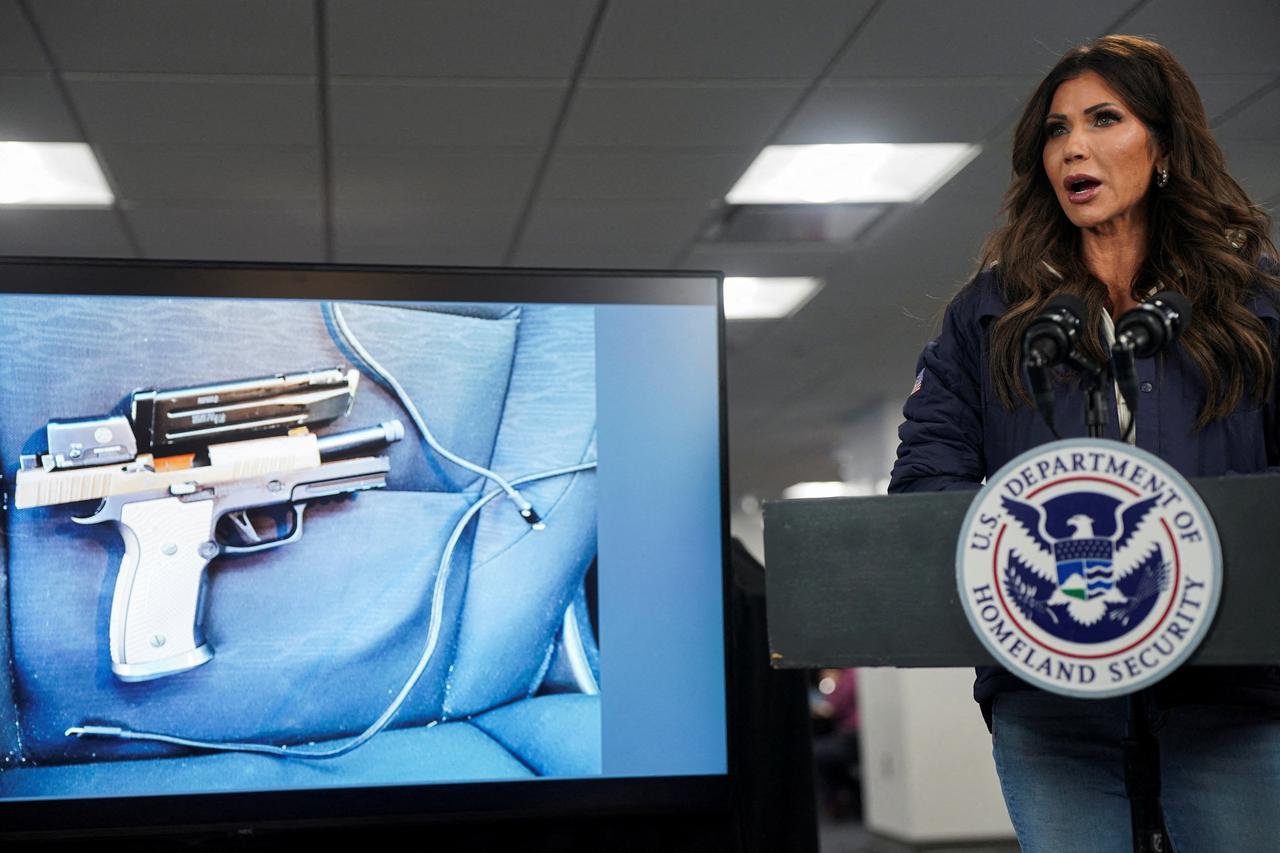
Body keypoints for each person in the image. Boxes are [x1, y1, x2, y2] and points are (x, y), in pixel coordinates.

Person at [889, 35, 1280, 852]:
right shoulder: (992, 314)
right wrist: (1021, 559)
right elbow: (928, 476)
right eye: (1056, 129)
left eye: (1105, 119)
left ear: (1164, 145)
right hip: (1050, 692)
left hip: (1231, 687)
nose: (1073, 146)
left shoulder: (1253, 308)